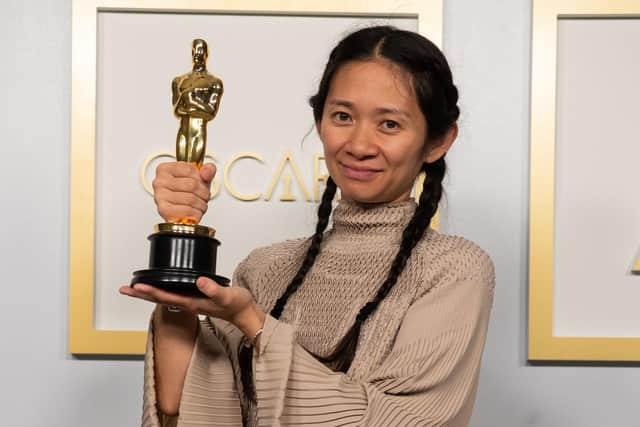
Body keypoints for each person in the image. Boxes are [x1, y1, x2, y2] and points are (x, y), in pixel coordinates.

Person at [121, 26, 495, 427]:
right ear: (320, 123)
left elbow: (401, 421)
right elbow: (185, 403)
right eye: (342, 116)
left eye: (389, 124)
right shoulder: (265, 268)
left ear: (438, 141)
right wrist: (177, 274)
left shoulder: (454, 270)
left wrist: (254, 324)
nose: (359, 144)